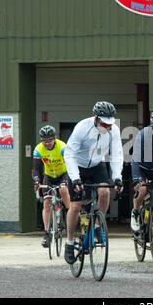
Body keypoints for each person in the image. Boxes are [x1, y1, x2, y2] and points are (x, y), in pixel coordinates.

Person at [63, 101, 124, 264]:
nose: (107, 127)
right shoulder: (82, 127)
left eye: (109, 124)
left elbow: (117, 154)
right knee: (75, 206)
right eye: (104, 123)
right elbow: (69, 154)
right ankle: (69, 243)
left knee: (104, 192)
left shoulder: (114, 130)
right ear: (96, 119)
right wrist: (75, 177)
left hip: (97, 165)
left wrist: (117, 176)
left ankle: (97, 226)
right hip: (79, 166)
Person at [32, 125, 71, 248]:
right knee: (46, 202)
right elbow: (36, 169)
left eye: (49, 140)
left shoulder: (62, 147)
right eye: (44, 140)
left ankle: (70, 213)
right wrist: (37, 181)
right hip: (48, 176)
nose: (47, 143)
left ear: (54, 138)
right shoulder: (38, 149)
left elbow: (71, 164)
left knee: (63, 190)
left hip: (63, 174)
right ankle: (47, 233)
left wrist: (69, 180)